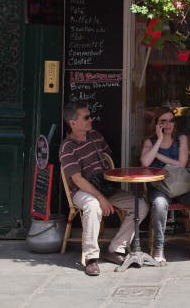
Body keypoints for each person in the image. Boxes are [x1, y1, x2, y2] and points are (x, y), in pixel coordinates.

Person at [59, 101, 148, 276]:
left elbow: (107, 158)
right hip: (81, 191)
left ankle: (115, 249)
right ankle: (91, 259)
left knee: (141, 206)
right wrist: (101, 198)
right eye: (86, 117)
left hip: (105, 187)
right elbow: (77, 180)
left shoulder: (95, 136)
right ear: (73, 123)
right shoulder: (67, 147)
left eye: (90, 116)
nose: (91, 119)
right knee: (92, 206)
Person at [140, 107, 190, 263]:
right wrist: (158, 141)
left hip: (181, 186)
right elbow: (145, 162)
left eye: (171, 120)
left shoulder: (181, 139)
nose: (169, 124)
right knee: (158, 204)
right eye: (163, 121)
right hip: (160, 187)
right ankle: (159, 248)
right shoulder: (150, 141)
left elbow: (182, 163)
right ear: (156, 124)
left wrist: (158, 156)